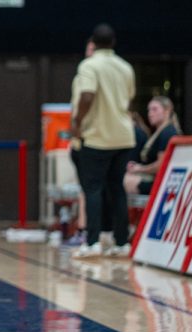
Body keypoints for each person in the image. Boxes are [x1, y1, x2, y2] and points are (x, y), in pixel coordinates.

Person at [69, 23, 136, 259]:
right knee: (117, 189)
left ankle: (93, 241)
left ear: (93, 43)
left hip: (97, 137)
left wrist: (77, 122)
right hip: (123, 136)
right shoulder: (125, 67)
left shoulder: (89, 66)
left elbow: (87, 94)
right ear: (113, 43)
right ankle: (121, 242)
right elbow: (128, 101)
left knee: (93, 189)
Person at [124, 96, 181, 196]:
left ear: (167, 111)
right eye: (149, 110)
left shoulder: (167, 133)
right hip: (153, 179)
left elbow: (161, 165)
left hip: (161, 183)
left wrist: (140, 168)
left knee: (123, 181)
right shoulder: (160, 132)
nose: (150, 113)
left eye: (155, 109)